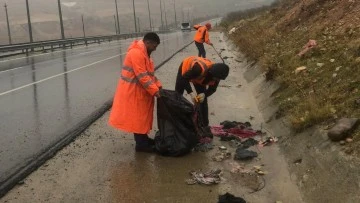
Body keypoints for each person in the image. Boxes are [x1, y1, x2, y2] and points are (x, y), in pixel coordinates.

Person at [109, 32, 162, 153]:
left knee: (142, 116)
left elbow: (150, 75)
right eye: (154, 46)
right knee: (138, 117)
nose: (155, 49)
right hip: (133, 92)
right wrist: (155, 91)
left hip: (140, 92)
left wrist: (159, 86)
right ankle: (141, 145)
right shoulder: (136, 53)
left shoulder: (145, 54)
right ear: (148, 42)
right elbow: (142, 76)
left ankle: (144, 139)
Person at [175, 56, 229, 126]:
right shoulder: (198, 69)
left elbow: (212, 89)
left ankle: (204, 124)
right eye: (216, 78)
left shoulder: (218, 75)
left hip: (200, 77)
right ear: (211, 73)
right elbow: (183, 79)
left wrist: (204, 94)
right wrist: (190, 92)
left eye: (218, 79)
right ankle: (176, 119)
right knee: (178, 95)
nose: (217, 80)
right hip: (186, 68)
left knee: (202, 101)